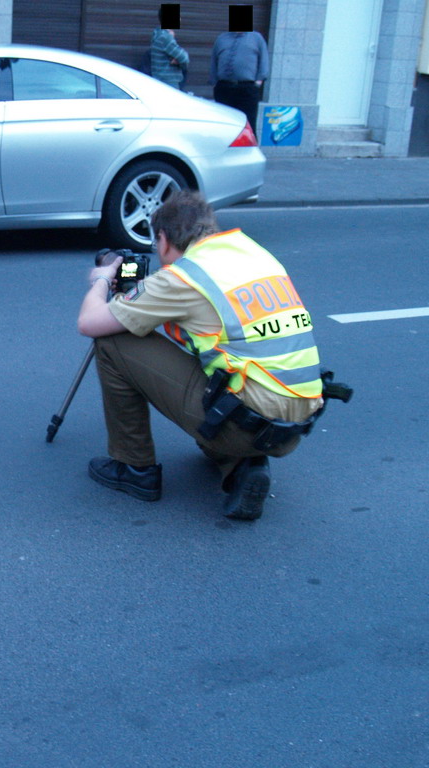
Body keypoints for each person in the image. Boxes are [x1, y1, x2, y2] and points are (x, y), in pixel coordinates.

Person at [77, 191, 323, 521]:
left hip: (248, 423)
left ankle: (133, 468)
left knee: (113, 341)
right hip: (293, 424)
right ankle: (239, 465)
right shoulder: (252, 253)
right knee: (223, 367)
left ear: (163, 240)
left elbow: (89, 324)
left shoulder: (182, 278)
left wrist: (103, 280)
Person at [209, 29, 269, 136]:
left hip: (247, 89)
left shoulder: (256, 38)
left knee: (248, 125)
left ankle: (248, 151)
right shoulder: (222, 38)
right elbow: (214, 61)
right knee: (224, 124)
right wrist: (215, 83)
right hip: (224, 88)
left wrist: (258, 82)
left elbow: (264, 61)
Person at [150, 27, 188, 91]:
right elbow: (184, 58)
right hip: (169, 82)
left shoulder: (157, 34)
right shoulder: (165, 37)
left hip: (159, 79)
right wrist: (179, 62)